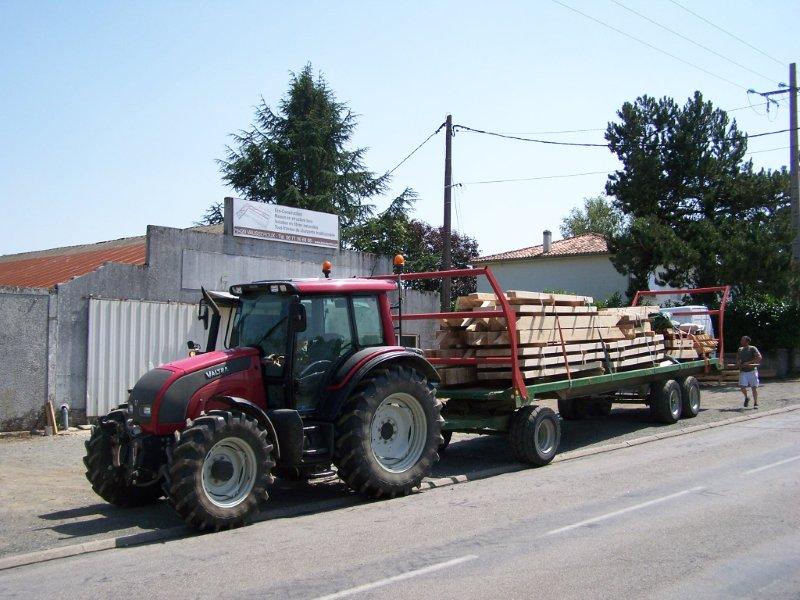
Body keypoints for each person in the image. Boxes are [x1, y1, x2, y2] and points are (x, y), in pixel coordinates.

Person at [736, 336, 762, 409]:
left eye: (742, 340)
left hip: (752, 371)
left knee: (754, 387)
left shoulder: (752, 348)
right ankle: (747, 397)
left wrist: (749, 362)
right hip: (743, 371)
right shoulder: (740, 349)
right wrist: (738, 363)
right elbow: (738, 358)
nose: (741, 342)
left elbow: (759, 357)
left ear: (747, 342)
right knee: (742, 386)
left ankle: (755, 403)